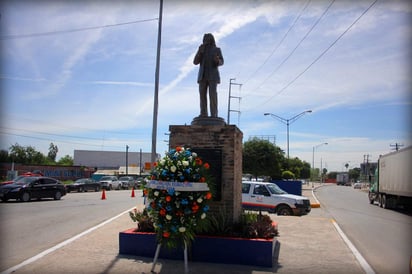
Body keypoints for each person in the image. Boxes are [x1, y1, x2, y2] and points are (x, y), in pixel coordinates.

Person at [193, 33, 224, 117]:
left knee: (212, 95)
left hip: (213, 76)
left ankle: (214, 114)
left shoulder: (217, 49)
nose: (205, 40)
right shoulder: (201, 49)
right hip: (202, 76)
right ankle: (203, 113)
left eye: (207, 39)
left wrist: (217, 60)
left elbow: (221, 62)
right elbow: (195, 62)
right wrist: (200, 51)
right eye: (204, 39)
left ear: (211, 39)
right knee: (202, 95)